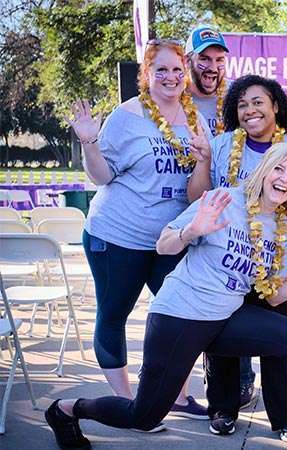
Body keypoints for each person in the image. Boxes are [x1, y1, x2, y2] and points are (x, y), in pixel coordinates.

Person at [45, 144, 287, 450]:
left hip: (225, 319)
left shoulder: (278, 227)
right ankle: (66, 410)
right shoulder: (222, 200)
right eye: (279, 168)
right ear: (264, 170)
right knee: (143, 415)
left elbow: (274, 295)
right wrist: (192, 230)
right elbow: (164, 245)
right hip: (179, 317)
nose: (285, 178)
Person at [64, 39, 212, 428]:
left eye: (178, 70)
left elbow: (197, 186)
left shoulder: (194, 117)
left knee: (179, 316)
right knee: (114, 315)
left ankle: (176, 397)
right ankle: (126, 404)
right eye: (161, 69)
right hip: (116, 237)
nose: (171, 77)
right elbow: (102, 177)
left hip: (169, 239)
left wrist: (204, 162)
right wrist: (88, 141)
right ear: (146, 74)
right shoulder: (127, 116)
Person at [185, 74, 287, 440]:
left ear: (276, 106)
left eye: (258, 102)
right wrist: (203, 161)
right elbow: (197, 200)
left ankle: (284, 418)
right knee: (222, 339)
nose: (250, 110)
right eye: (242, 104)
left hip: (271, 262)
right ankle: (222, 408)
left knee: (277, 340)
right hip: (226, 261)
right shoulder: (221, 146)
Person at [185, 25, 229, 136]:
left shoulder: (238, 95)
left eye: (219, 60)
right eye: (204, 59)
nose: (213, 68)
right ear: (187, 61)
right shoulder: (174, 97)